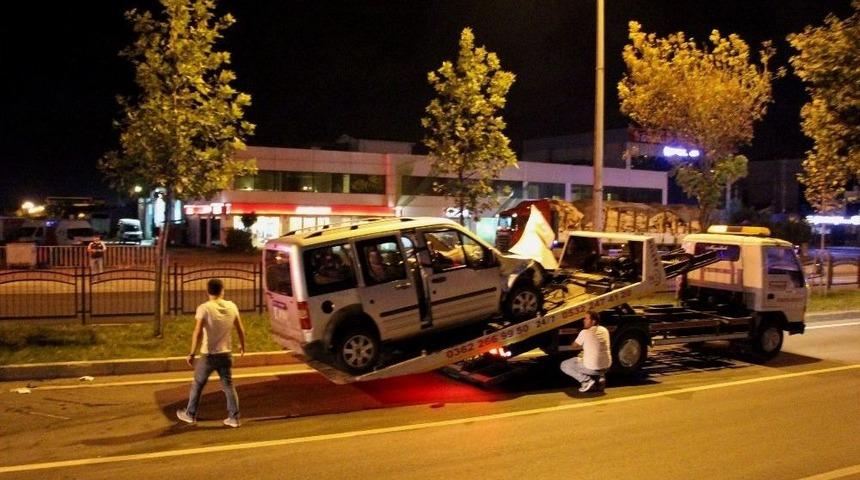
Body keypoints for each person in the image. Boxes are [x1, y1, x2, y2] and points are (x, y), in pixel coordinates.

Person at [176, 278, 246, 428]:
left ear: (207, 291)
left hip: (208, 355)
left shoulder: (204, 308)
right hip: (226, 354)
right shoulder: (232, 306)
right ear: (222, 290)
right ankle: (234, 418)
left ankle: (190, 414)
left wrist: (191, 353)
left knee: (198, 384)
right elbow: (240, 328)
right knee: (228, 385)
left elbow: (198, 332)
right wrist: (242, 345)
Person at [560, 310, 612, 393]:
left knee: (564, 365)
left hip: (593, 368)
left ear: (593, 321)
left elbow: (574, 346)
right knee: (593, 355)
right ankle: (601, 378)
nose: (584, 320)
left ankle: (586, 381)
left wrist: (573, 338)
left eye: (586, 319)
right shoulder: (604, 330)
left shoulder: (585, 332)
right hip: (606, 367)